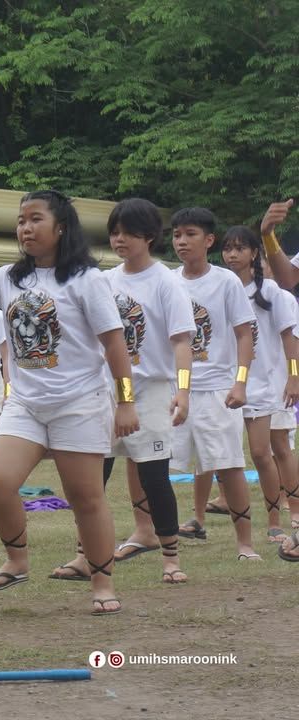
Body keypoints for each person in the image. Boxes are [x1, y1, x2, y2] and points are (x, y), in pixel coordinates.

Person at [0, 189, 138, 616]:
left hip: (79, 404)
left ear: (60, 227)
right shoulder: (10, 277)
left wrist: (125, 403)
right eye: (21, 220)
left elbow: (115, 344)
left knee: (85, 497)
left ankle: (102, 581)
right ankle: (17, 560)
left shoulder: (87, 280)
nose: (25, 228)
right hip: (25, 404)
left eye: (35, 219)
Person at [49, 198, 194, 584]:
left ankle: (170, 559)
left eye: (128, 232)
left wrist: (183, 391)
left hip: (151, 390)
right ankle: (85, 556)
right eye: (114, 232)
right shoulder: (105, 280)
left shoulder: (167, 282)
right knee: (91, 477)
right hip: (106, 391)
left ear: (148, 236)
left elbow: (182, 341)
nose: (119, 240)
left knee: (154, 476)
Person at [167, 208, 259, 560]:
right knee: (155, 464)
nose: (181, 241)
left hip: (217, 389)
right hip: (174, 390)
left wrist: (240, 383)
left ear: (208, 240)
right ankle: (157, 538)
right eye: (176, 235)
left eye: (190, 234)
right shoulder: (167, 281)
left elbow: (244, 334)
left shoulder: (225, 282)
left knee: (229, 465)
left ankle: (245, 543)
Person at [221, 225, 299, 542]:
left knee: (262, 451)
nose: (232, 254)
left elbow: (289, 337)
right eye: (227, 248)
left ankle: (278, 518)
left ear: (255, 253)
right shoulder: (219, 288)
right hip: (225, 382)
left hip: (265, 382)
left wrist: (293, 376)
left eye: (240, 248)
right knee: (223, 455)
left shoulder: (272, 293)